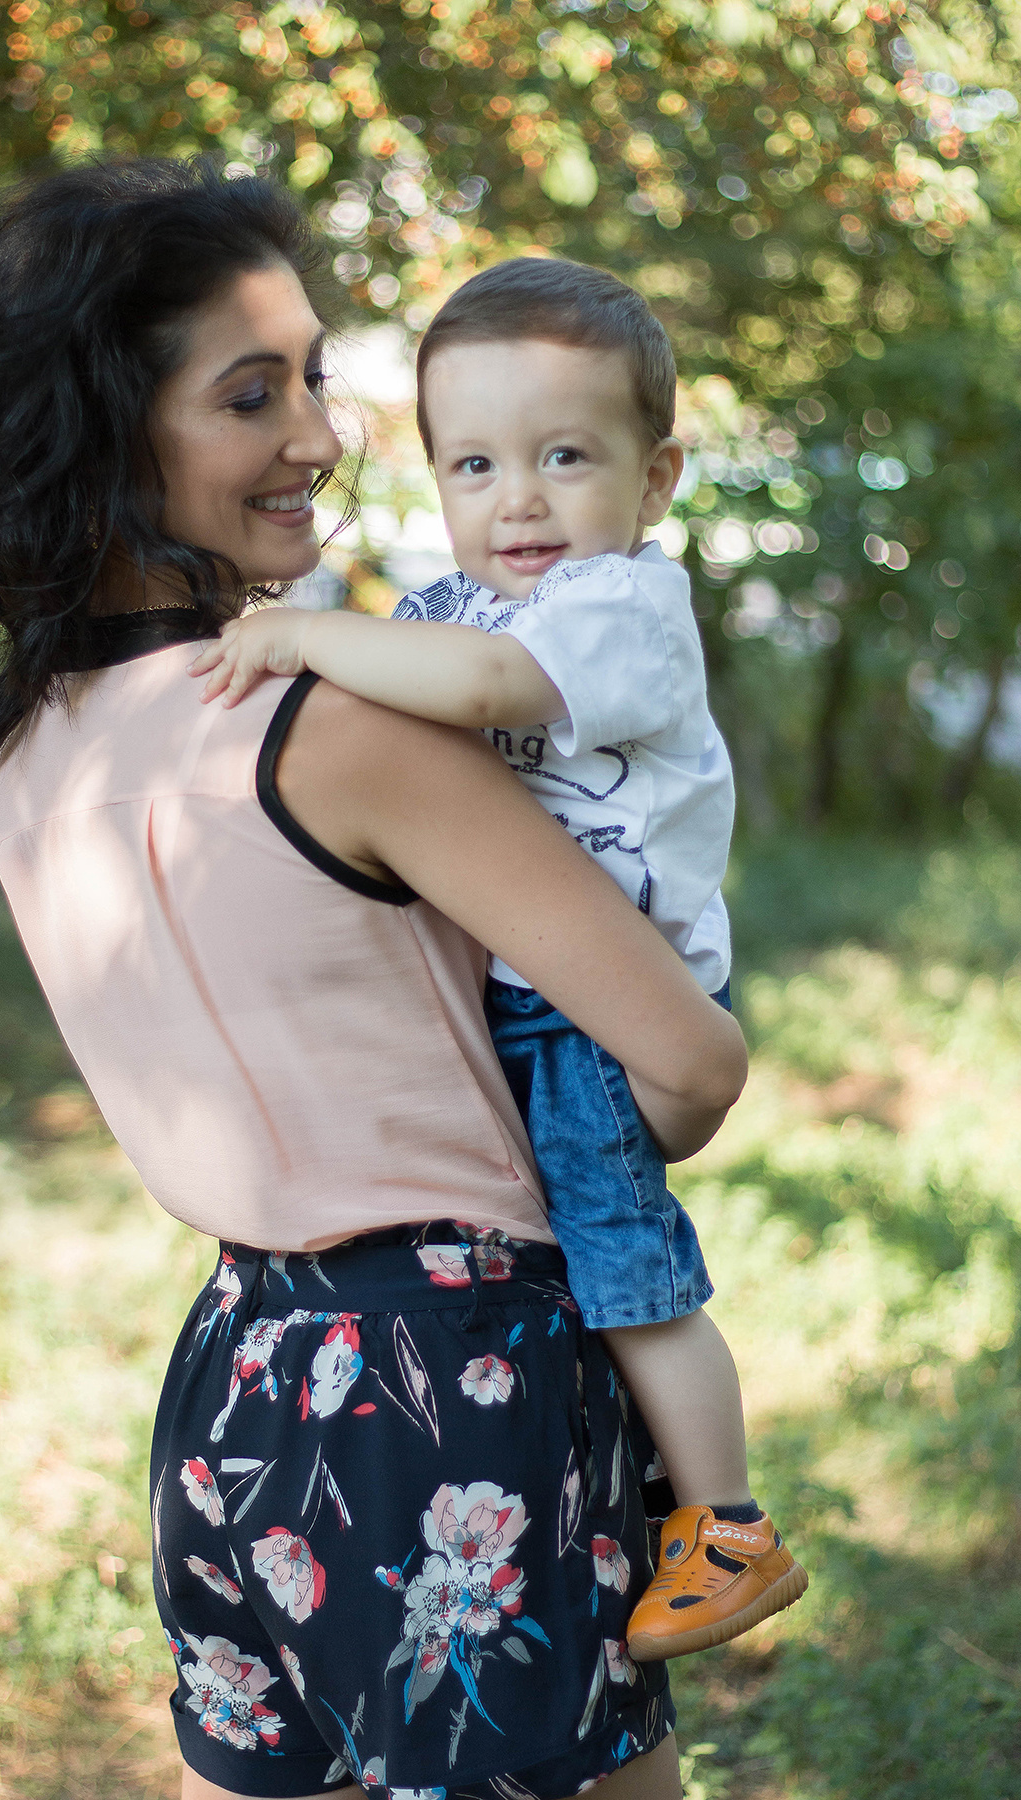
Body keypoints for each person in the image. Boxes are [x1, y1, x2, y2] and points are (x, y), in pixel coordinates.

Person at [0, 158, 748, 1800]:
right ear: (110, 426)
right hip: (461, 1389)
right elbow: (691, 1066)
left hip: (236, 1388)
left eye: (314, 380)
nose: (315, 439)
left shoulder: (24, 767)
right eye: (250, 395)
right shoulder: (338, 728)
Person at [188, 258, 807, 1662]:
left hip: (600, 1006)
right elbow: (406, 702)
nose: (517, 498)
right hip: (517, 995)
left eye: (564, 457)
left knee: (626, 1270)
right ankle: (632, 1494)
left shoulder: (619, 608)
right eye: (475, 463)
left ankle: (730, 1525)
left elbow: (480, 701)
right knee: (554, 1275)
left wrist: (298, 630)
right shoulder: (454, 609)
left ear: (655, 481)